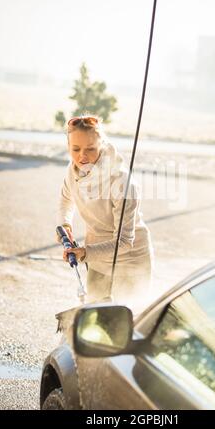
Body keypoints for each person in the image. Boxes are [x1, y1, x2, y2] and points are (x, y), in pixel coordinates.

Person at [57, 115, 154, 313]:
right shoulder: (72, 170)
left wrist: (84, 252)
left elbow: (125, 242)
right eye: (75, 149)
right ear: (68, 146)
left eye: (90, 149)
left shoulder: (122, 182)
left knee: (125, 324)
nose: (82, 156)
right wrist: (65, 225)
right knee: (94, 318)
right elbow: (67, 199)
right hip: (97, 257)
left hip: (130, 262)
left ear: (101, 145)